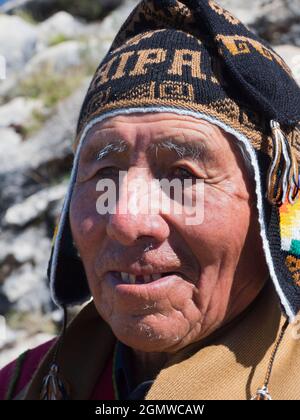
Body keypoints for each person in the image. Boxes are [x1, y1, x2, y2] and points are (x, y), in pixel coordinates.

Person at [1, 0, 300, 400]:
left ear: (274, 205)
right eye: (104, 174)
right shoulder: (21, 385)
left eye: (182, 175)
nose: (125, 220)